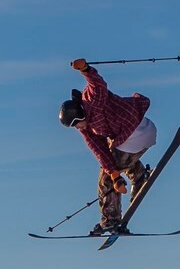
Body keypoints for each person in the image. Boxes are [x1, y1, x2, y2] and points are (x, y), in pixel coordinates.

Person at [59, 58, 158, 235]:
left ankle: (110, 221)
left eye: (76, 122)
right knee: (110, 165)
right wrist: (114, 175)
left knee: (104, 180)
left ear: (79, 113)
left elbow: (98, 85)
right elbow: (100, 151)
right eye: (73, 126)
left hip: (134, 130)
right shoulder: (87, 129)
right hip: (138, 135)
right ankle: (139, 175)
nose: (78, 127)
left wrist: (86, 69)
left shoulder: (91, 101)